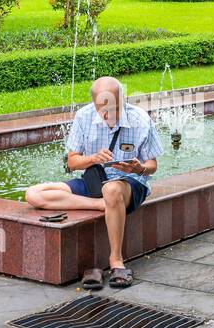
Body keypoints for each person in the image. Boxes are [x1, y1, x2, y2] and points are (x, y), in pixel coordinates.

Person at [24, 76, 163, 289]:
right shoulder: (84, 116)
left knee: (112, 189)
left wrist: (139, 168)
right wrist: (93, 158)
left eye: (113, 106)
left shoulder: (140, 119)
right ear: (94, 103)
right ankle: (101, 205)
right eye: (102, 108)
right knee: (34, 194)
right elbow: (72, 162)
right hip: (94, 182)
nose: (108, 113)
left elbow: (152, 164)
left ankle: (116, 260)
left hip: (129, 184)